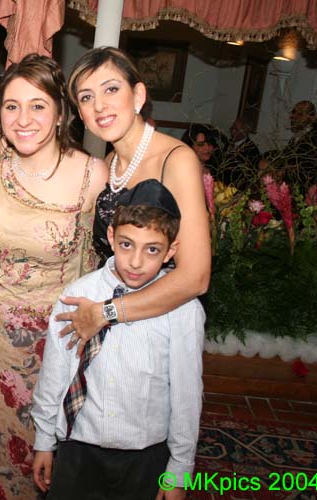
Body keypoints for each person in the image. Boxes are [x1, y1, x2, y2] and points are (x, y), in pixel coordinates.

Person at [0, 54, 108, 499]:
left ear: (61, 112)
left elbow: (116, 260)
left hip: (54, 345)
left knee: (36, 458)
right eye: (11, 106)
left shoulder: (93, 175)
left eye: (37, 105)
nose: (23, 119)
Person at [31, 180, 205, 500]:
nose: (136, 262)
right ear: (111, 237)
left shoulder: (183, 310)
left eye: (152, 249)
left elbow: (186, 392)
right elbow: (55, 374)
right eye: (127, 244)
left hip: (145, 455)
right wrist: (44, 440)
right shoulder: (77, 295)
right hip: (78, 447)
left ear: (171, 250)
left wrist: (179, 468)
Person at [59, 46, 210, 348]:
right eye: (86, 97)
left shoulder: (176, 160)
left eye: (111, 89)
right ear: (81, 115)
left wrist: (106, 312)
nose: (99, 105)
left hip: (157, 323)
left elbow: (196, 276)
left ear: (138, 95)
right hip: (111, 322)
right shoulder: (109, 163)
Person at [219, 117, 261, 189]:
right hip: (221, 184)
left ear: (245, 131)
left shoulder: (251, 149)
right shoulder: (229, 142)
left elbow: (249, 176)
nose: (232, 131)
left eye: (236, 129)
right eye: (232, 128)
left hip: (236, 188)